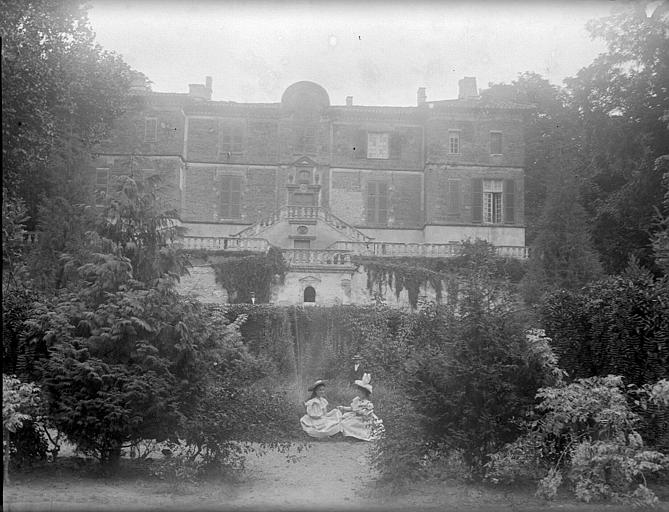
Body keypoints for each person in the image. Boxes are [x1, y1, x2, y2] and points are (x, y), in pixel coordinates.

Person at [338, 373, 384, 441]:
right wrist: (343, 408)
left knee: (350, 424)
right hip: (355, 416)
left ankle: (355, 436)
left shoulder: (367, 403)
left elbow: (367, 414)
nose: (359, 394)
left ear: (365, 394)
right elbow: (352, 408)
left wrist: (361, 412)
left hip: (363, 419)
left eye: (361, 393)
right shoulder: (357, 400)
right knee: (343, 421)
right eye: (358, 392)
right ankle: (348, 435)